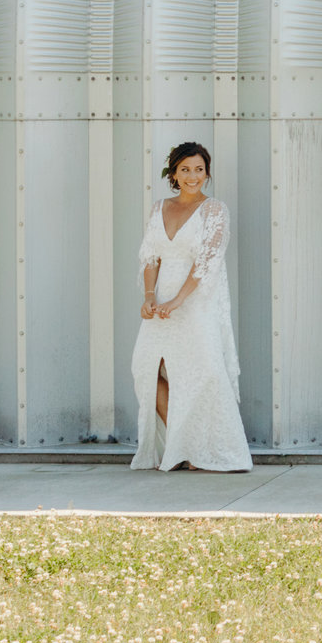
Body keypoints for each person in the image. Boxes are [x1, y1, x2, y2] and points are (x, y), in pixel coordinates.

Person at [128, 141, 252, 472]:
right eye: (185, 169)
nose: (192, 176)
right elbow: (150, 255)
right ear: (173, 173)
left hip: (196, 303)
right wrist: (150, 296)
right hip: (160, 306)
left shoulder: (215, 210)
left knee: (204, 374)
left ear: (207, 173)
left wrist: (178, 301)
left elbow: (207, 262)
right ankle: (183, 445)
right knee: (145, 369)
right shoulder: (160, 208)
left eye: (199, 170)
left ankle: (211, 452)